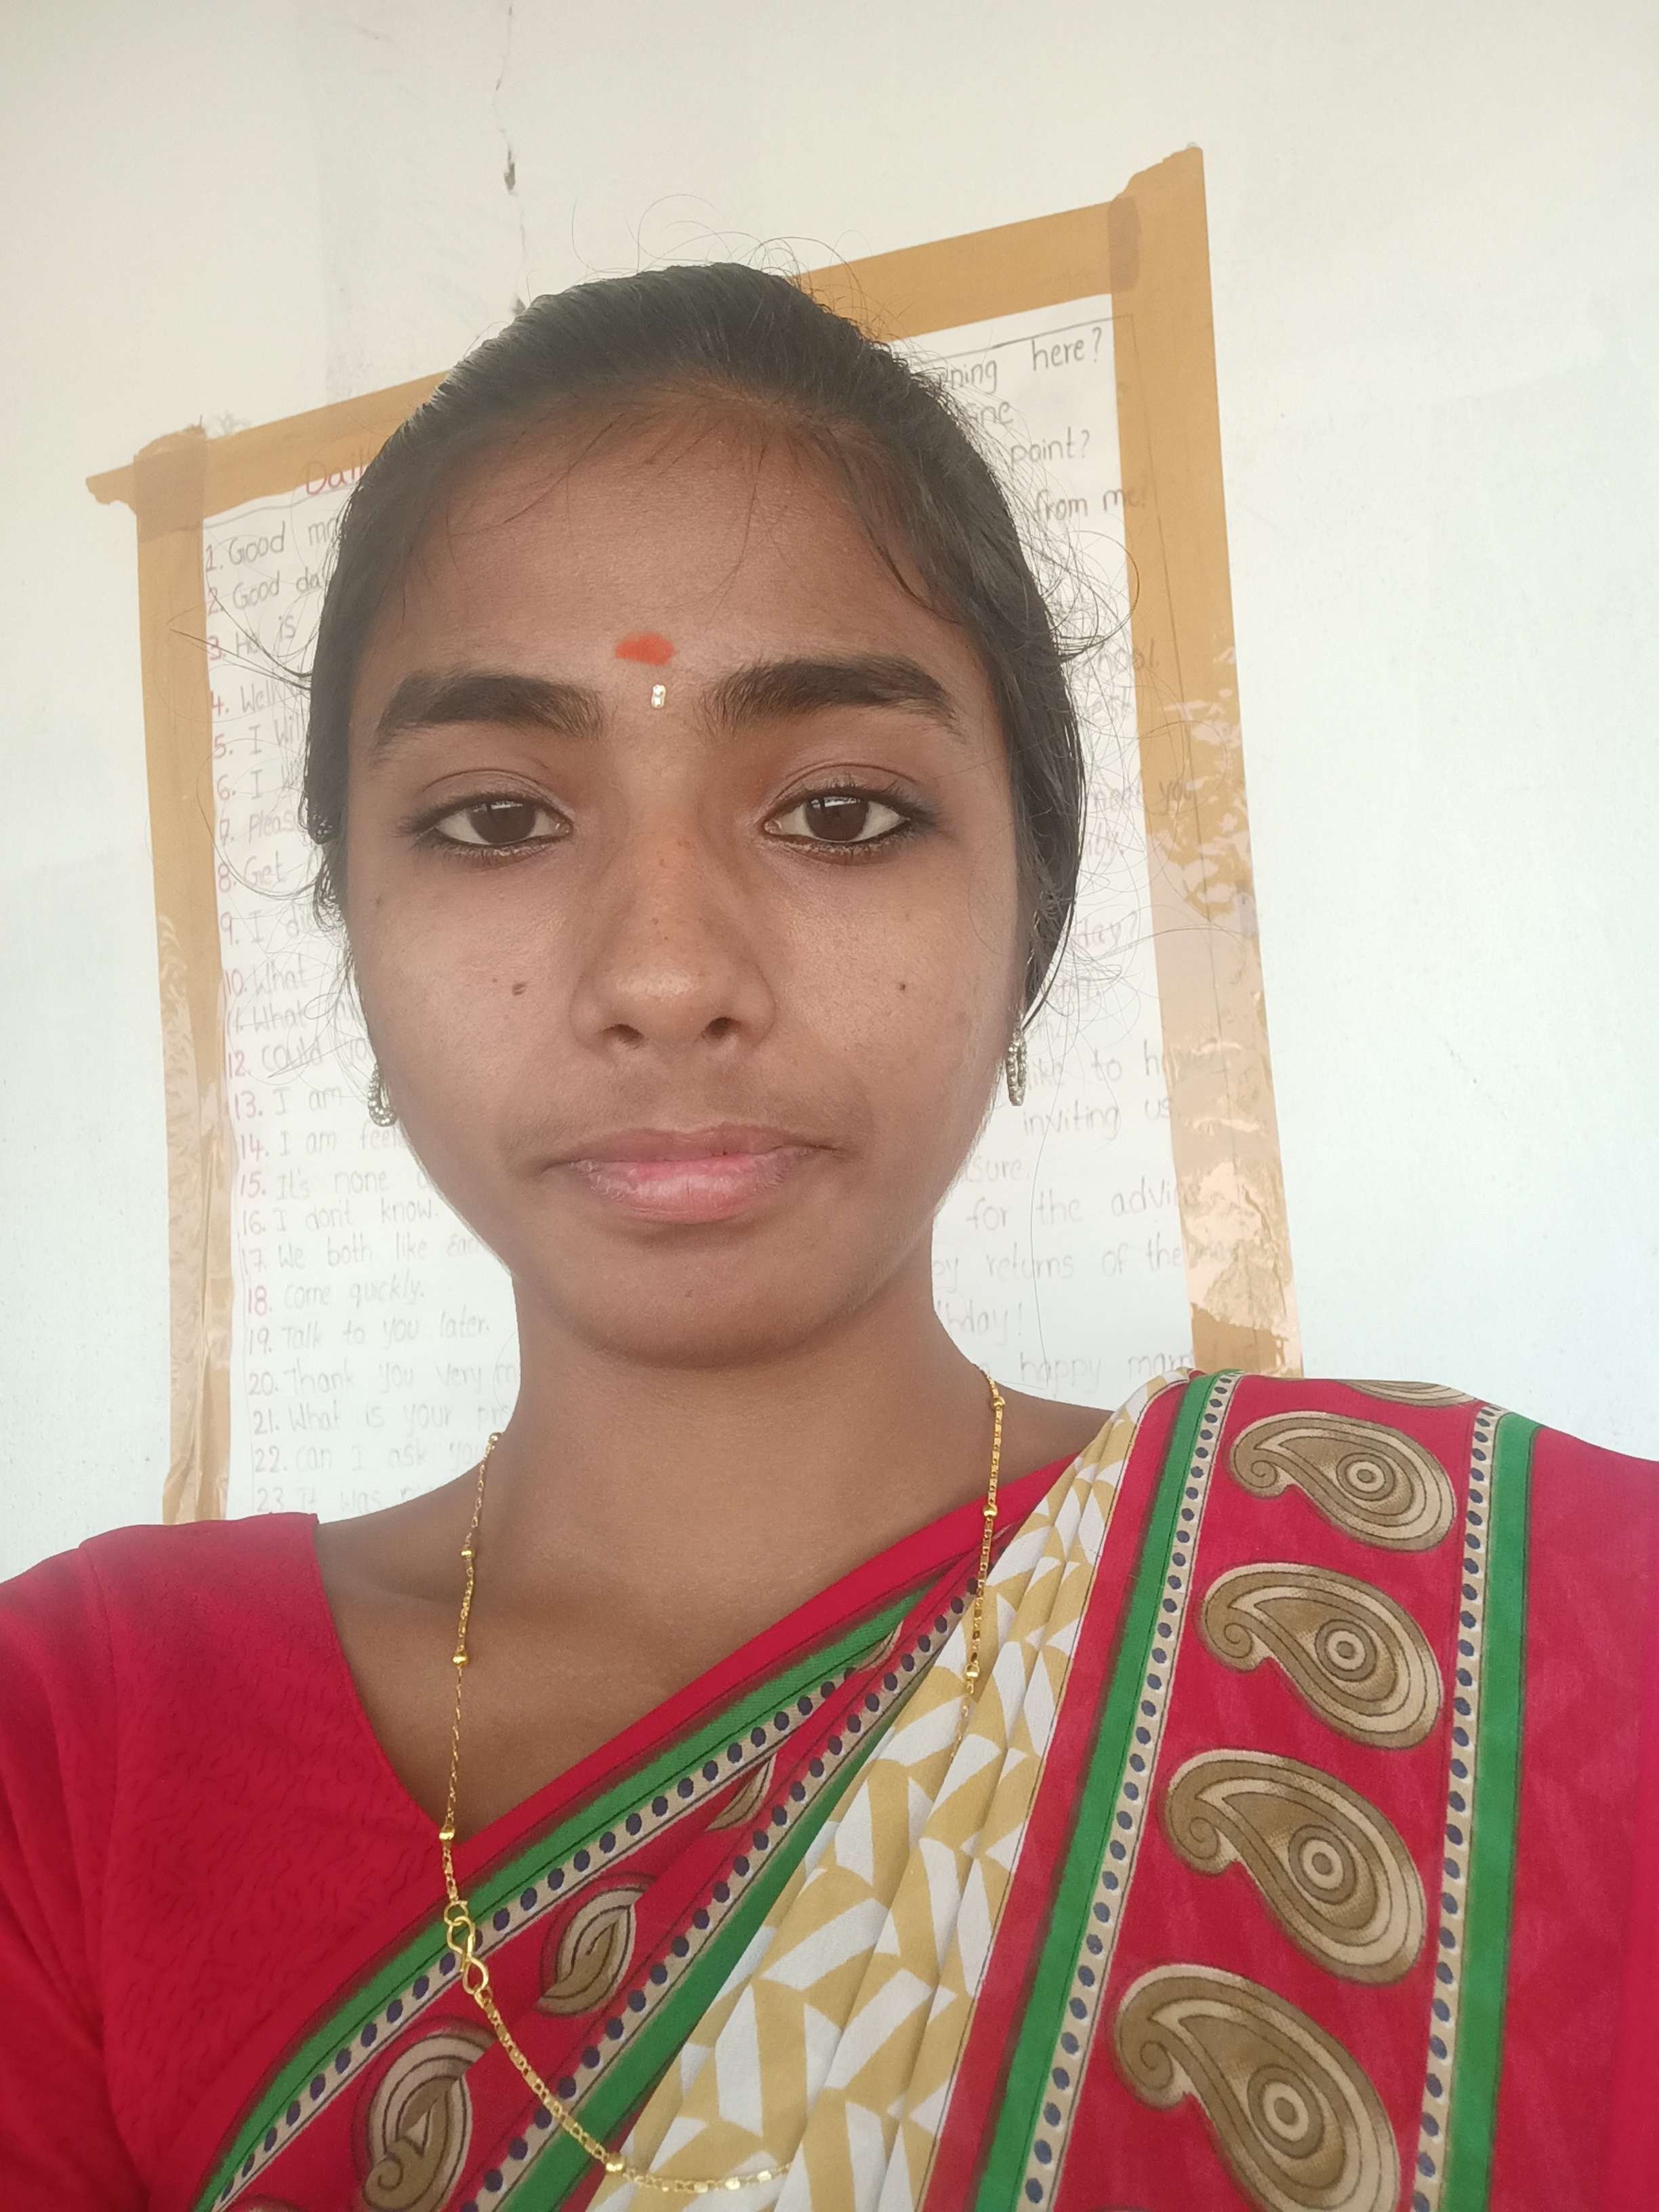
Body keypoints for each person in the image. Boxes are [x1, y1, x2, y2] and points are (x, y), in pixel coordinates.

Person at [1, 264, 1655, 2212]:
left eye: (847, 812)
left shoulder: (1557, 1633)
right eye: (496, 820)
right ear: (353, 930)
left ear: (1029, 910)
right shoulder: (86, 1743)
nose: (665, 975)